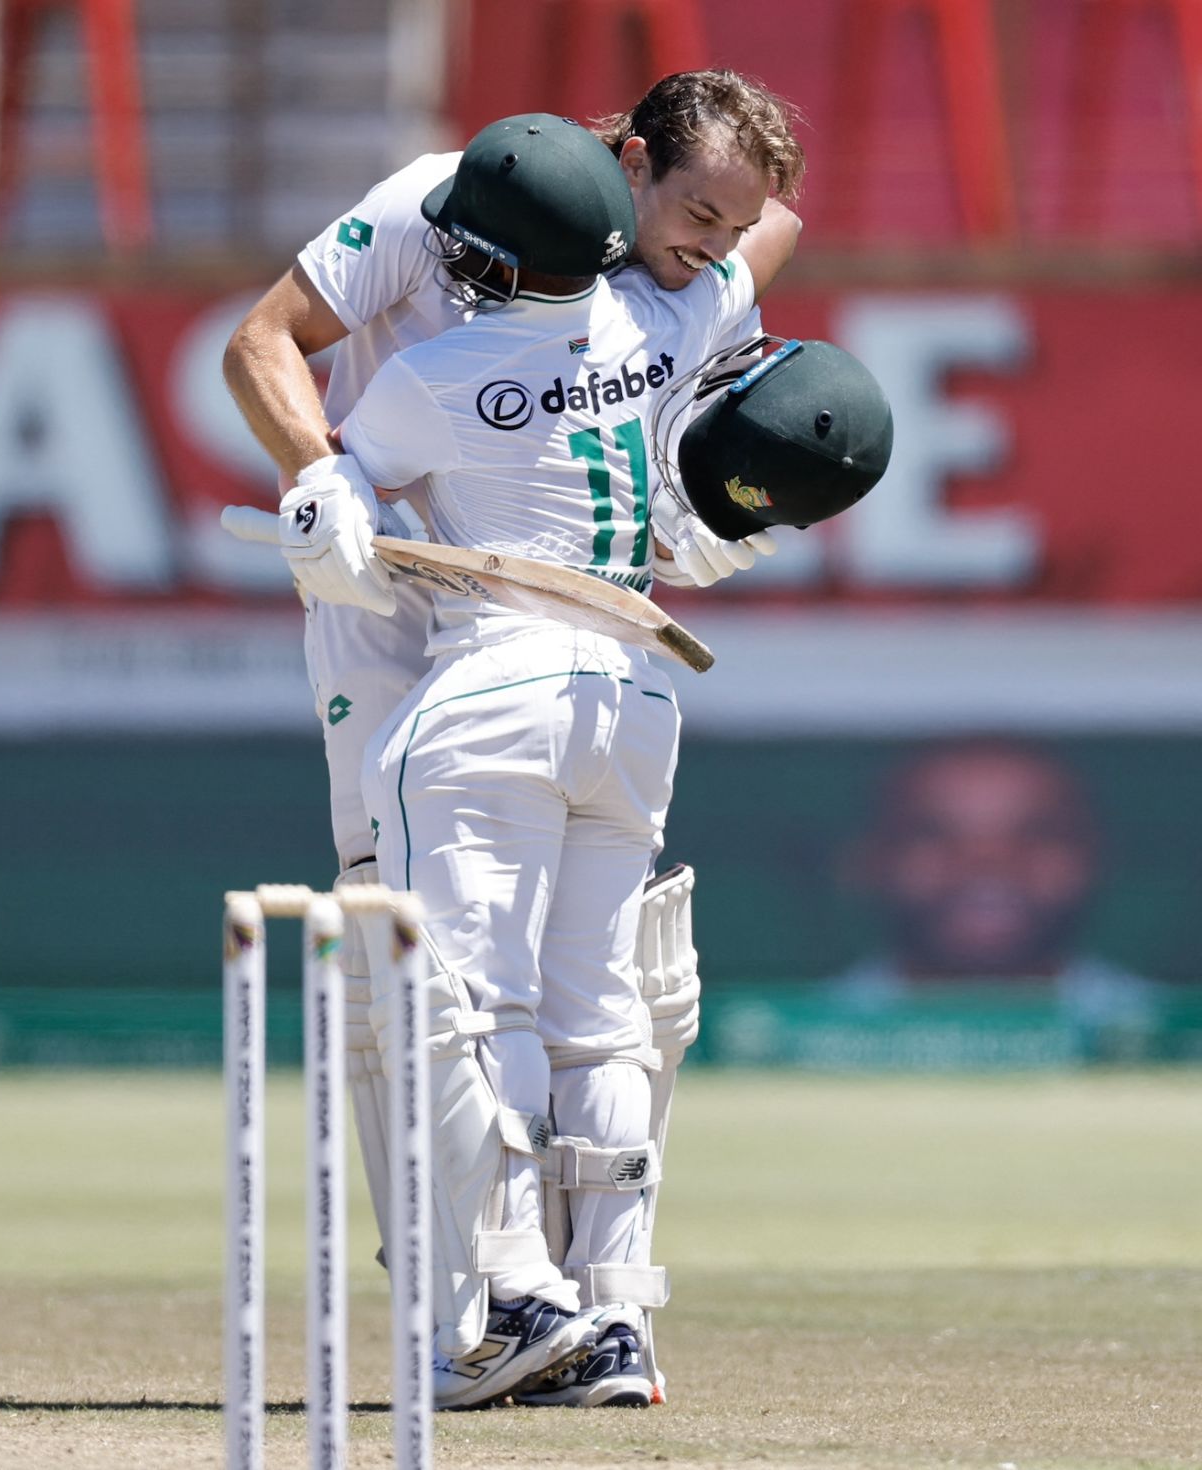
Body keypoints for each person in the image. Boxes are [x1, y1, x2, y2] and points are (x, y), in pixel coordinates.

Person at [222, 71, 807, 1408]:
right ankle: (506, 1292)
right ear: (628, 157)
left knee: (494, 991)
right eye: (697, 214)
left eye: (733, 227)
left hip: (508, 639)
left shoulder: (665, 274)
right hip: (397, 613)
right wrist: (318, 478)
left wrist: (686, 473)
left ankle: (532, 1306)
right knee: (431, 962)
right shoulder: (432, 209)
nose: (717, 250)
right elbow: (262, 341)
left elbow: (751, 245)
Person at [826, 737, 1162, 1053]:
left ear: (1092, 857)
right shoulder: (798, 1041)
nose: (987, 864)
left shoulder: (1170, 1037)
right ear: (869, 860)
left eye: (1036, 833)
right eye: (934, 833)